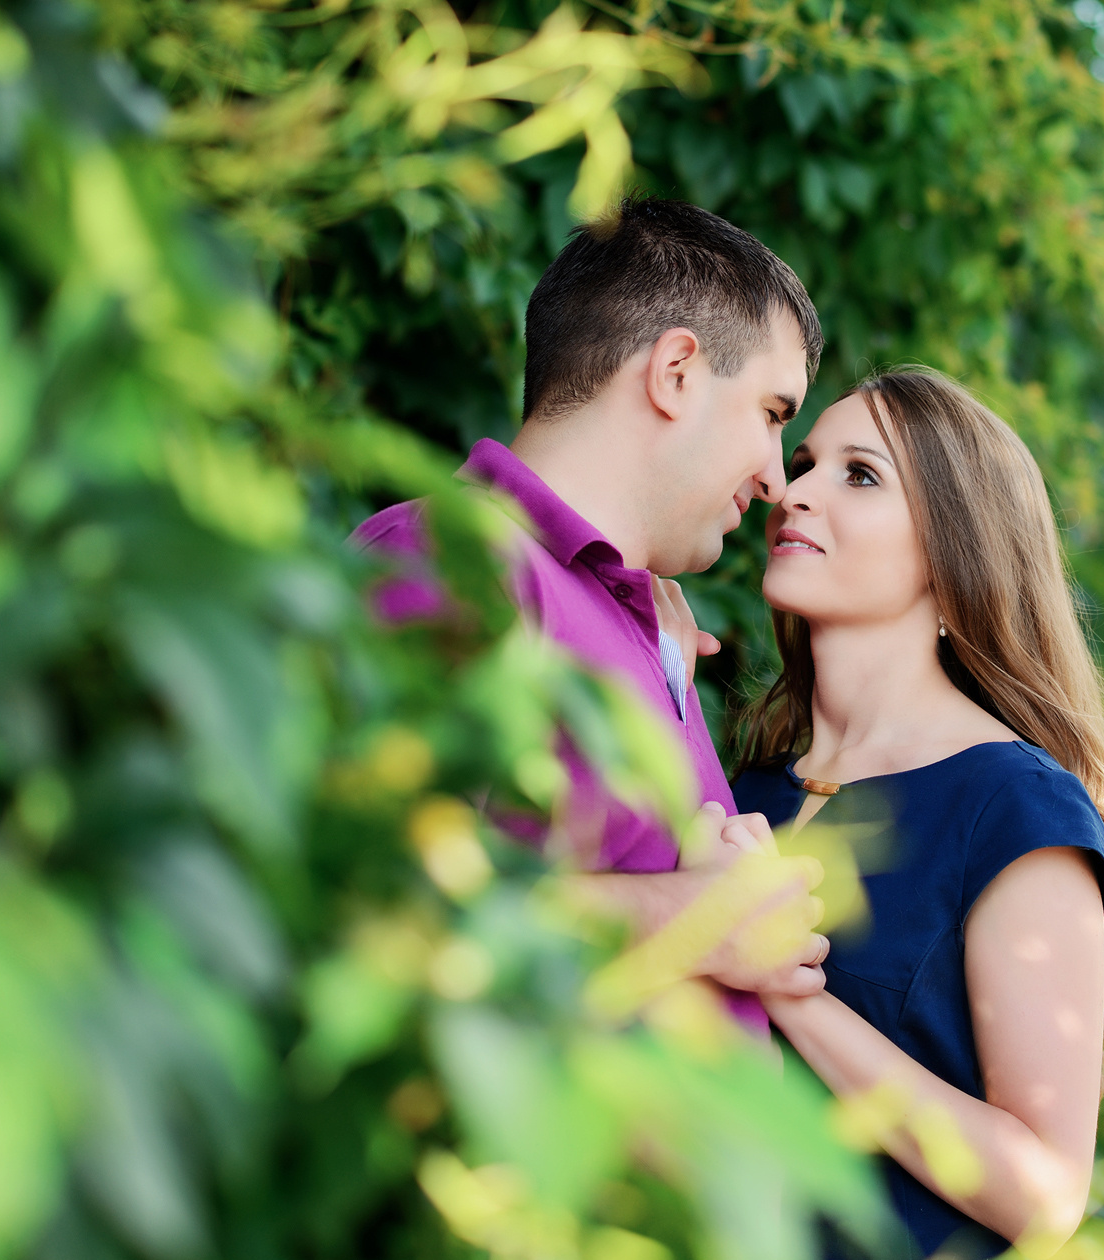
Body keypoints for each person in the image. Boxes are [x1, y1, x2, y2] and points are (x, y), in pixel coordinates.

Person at [724, 367, 1104, 1260]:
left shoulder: (1016, 807)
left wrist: (789, 992)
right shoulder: (744, 790)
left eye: (860, 475)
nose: (793, 490)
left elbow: (1046, 1194)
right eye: (803, 464)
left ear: (952, 558)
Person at [352, 199, 831, 1006]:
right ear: (675, 372)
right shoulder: (450, 559)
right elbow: (374, 899)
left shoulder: (641, 629)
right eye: (772, 414)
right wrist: (698, 918)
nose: (777, 480)